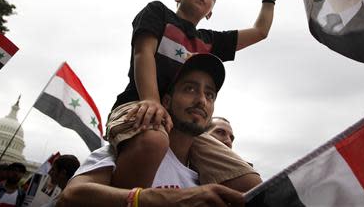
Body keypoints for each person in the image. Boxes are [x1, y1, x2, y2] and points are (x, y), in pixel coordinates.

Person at [106, 0, 283, 190]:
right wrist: (152, 100)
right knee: (154, 140)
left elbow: (260, 31)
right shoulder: (158, 12)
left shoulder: (209, 41)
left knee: (249, 182)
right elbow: (143, 53)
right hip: (139, 104)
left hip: (184, 123)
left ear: (210, 13)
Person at [58, 54, 246, 207]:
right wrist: (161, 199)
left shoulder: (208, 183)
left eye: (209, 95)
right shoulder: (131, 148)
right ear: (166, 102)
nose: (201, 101)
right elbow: (70, 197)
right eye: (190, 89)